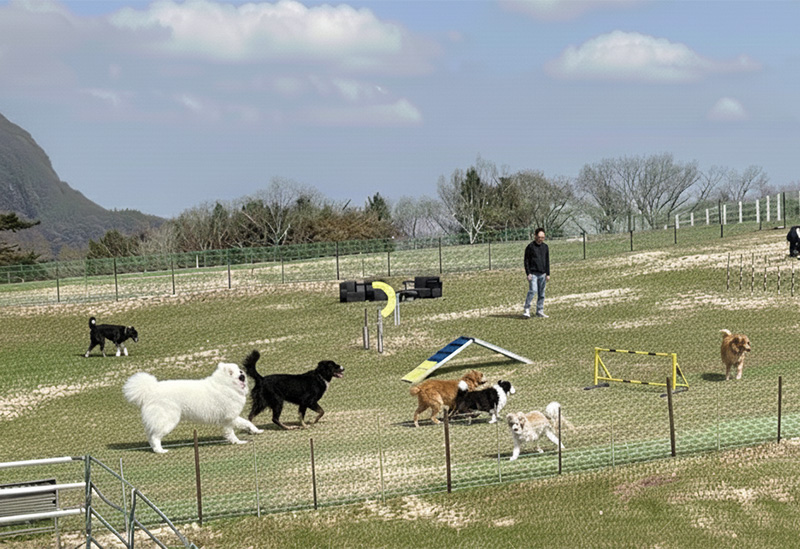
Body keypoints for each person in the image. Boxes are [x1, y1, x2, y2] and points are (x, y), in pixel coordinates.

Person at [523, 227, 550, 318]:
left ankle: (540, 311)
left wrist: (548, 273)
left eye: (543, 237)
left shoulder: (545, 247)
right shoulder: (530, 247)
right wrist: (528, 273)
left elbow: (547, 261)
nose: (540, 239)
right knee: (533, 291)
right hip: (533, 274)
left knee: (542, 293)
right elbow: (526, 261)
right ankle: (527, 309)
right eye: (539, 237)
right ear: (535, 236)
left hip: (543, 274)